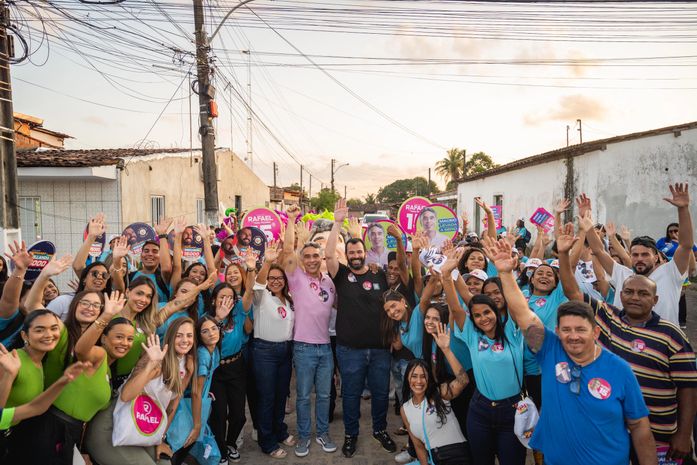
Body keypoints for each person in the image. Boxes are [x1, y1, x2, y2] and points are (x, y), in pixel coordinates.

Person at [485, 237, 657, 465]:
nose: (573, 336)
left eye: (581, 329)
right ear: (557, 331)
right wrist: (506, 273)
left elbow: (639, 425)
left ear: (595, 332)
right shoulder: (550, 350)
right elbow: (524, 314)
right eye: (566, 329)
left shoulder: (620, 369)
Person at [556, 226, 697, 463]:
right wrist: (562, 254)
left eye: (643, 294)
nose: (634, 297)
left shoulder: (672, 335)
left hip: (659, 436)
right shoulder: (608, 317)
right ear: (620, 295)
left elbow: (688, 388)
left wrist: (684, 435)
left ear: (655, 300)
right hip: (614, 432)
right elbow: (573, 292)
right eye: (629, 292)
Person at [440, 250, 527, 465]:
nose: (483, 318)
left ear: (496, 311)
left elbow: (518, 306)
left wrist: (506, 272)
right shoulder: (472, 334)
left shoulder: (513, 331)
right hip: (480, 410)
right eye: (477, 315)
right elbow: (456, 307)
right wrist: (447, 275)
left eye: (487, 313)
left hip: (512, 411)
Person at [326, 198, 396, 458]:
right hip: (349, 351)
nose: (355, 256)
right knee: (351, 395)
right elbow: (328, 255)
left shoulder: (379, 274)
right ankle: (350, 434)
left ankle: (380, 430)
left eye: (358, 252)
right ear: (347, 255)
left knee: (380, 394)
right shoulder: (341, 275)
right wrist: (337, 224)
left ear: (365, 252)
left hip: (380, 350)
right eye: (351, 253)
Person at [579, 184, 693, 325]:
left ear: (656, 257)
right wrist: (589, 227)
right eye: (635, 255)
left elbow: (685, 245)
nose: (639, 259)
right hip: (622, 337)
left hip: (662, 338)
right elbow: (599, 251)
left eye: (645, 255)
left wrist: (683, 209)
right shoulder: (622, 273)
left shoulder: (671, 272)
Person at [282, 205, 337, 457]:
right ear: (302, 260)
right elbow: (287, 252)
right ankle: (304, 437)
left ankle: (323, 433)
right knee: (303, 397)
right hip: (303, 348)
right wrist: (291, 220)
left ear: (321, 259)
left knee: (324, 396)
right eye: (308, 256)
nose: (313, 260)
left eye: (317, 256)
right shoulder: (296, 278)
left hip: (325, 348)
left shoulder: (329, 282)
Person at [401, 324, 471, 465]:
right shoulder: (405, 409)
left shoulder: (440, 393)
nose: (419, 381)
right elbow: (419, 446)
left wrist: (446, 350)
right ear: (407, 378)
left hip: (456, 456)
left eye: (423, 376)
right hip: (434, 459)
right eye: (414, 376)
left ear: (429, 379)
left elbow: (463, 380)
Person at [208, 256, 255, 463]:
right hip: (216, 370)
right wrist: (218, 318)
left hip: (236, 367)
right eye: (222, 297)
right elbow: (208, 339)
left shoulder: (238, 312)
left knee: (239, 415)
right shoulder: (208, 318)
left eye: (230, 297)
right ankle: (220, 451)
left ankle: (230, 443)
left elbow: (249, 292)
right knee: (218, 415)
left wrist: (251, 270)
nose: (226, 301)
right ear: (214, 300)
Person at [251, 243, 296, 458]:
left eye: (280, 278)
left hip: (285, 351)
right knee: (267, 398)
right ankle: (267, 441)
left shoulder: (288, 299)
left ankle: (279, 431)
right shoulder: (262, 297)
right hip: (264, 352)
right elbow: (257, 284)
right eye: (272, 278)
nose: (276, 281)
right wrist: (268, 262)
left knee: (280, 395)